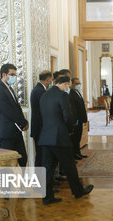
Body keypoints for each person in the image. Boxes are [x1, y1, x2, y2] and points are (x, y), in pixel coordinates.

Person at [38, 76, 93, 205]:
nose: (68, 87)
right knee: (69, 166)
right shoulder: (62, 96)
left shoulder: (44, 95)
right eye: (67, 85)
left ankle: (47, 197)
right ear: (63, 84)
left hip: (45, 136)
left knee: (47, 168)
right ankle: (78, 192)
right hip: (60, 136)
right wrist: (70, 129)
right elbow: (68, 116)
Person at [0, 63, 28, 167]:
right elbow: (8, 111)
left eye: (15, 75)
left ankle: (21, 181)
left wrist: (24, 122)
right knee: (7, 162)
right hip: (6, 133)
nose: (14, 77)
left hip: (16, 130)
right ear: (4, 75)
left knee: (22, 158)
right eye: (12, 74)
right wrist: (22, 122)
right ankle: (6, 183)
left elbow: (17, 108)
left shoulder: (9, 88)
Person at [30, 70, 53, 167]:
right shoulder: (40, 91)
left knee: (42, 155)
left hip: (40, 128)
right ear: (47, 80)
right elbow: (44, 110)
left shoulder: (38, 89)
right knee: (41, 156)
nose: (51, 83)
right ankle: (41, 179)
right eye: (51, 80)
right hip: (40, 128)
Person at [69, 77, 88, 160]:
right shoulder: (71, 93)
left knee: (78, 137)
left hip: (80, 119)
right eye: (76, 83)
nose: (78, 85)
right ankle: (74, 154)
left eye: (79, 83)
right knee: (75, 138)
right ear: (72, 84)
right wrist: (75, 121)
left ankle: (78, 152)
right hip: (76, 120)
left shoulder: (77, 92)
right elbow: (73, 109)